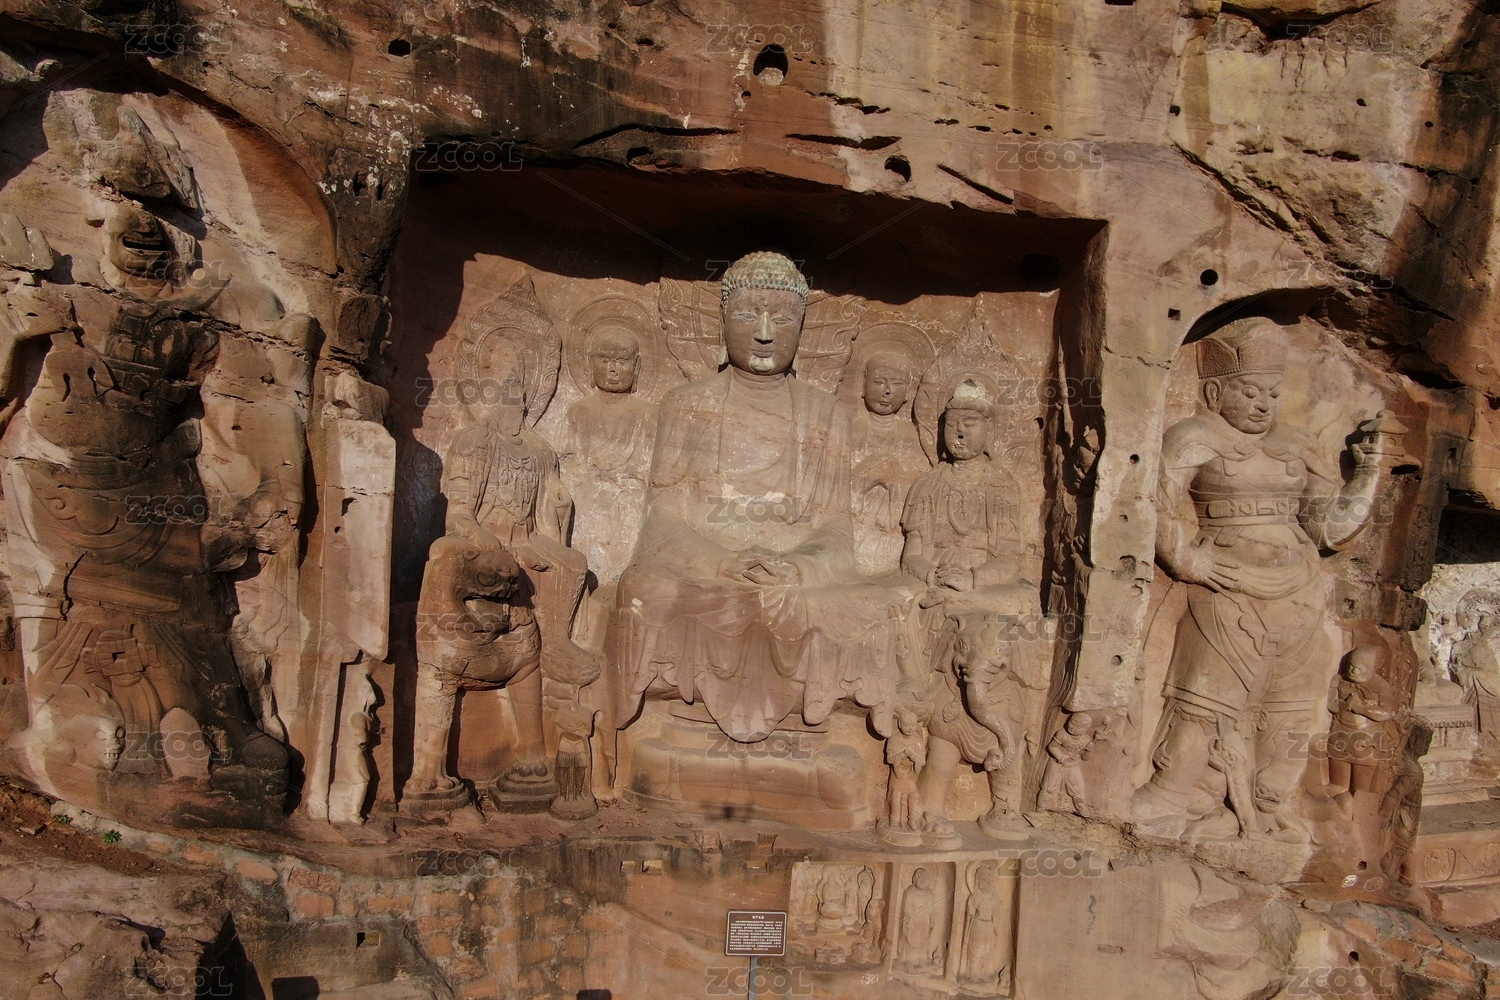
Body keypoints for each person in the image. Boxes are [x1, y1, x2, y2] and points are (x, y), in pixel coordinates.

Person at [610, 252, 900, 743]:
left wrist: (797, 567)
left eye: (782, 318)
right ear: (723, 322)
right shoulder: (686, 404)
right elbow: (662, 522)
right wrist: (723, 562)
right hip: (709, 574)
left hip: (794, 579)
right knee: (643, 590)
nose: (764, 333)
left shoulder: (827, 413)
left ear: (801, 329)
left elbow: (836, 528)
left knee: (871, 602)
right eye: (748, 314)